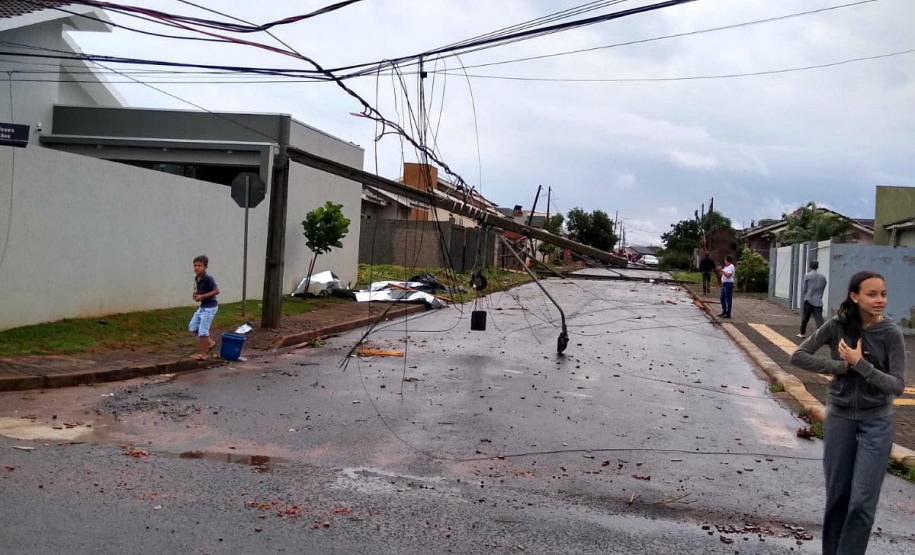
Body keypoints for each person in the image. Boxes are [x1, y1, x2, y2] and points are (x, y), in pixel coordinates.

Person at [790, 271, 905, 555]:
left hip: (876, 422)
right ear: (855, 297)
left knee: (862, 504)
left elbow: (898, 385)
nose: (880, 300)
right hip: (840, 417)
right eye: (872, 294)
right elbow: (798, 355)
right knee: (838, 498)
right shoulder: (837, 325)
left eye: (883, 294)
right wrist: (841, 367)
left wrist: (860, 364)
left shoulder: (891, 333)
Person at [189, 255, 219, 360]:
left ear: (205, 267)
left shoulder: (208, 278)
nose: (197, 268)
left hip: (210, 307)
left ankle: (203, 354)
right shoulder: (197, 278)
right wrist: (196, 294)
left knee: (203, 331)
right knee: (193, 326)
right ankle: (210, 343)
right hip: (203, 307)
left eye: (199, 265)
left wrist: (203, 296)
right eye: (195, 265)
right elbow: (200, 289)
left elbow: (216, 291)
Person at [798, 260, 827, 338]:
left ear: (810, 266)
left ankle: (802, 333)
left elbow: (804, 288)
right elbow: (823, 287)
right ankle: (822, 335)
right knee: (819, 319)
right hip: (818, 300)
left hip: (809, 299)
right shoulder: (823, 277)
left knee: (805, 317)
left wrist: (805, 295)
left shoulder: (807, 276)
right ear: (817, 266)